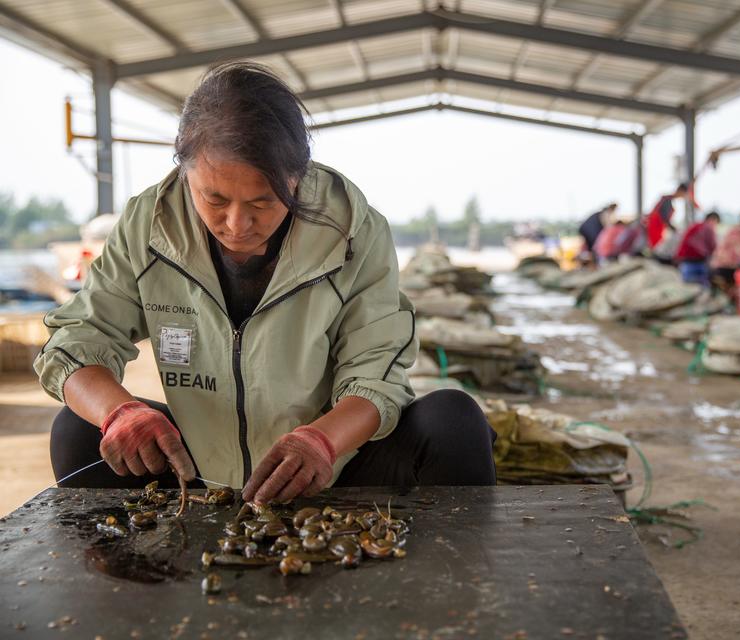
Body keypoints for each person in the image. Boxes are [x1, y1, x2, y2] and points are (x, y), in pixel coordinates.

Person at [35, 62, 496, 503]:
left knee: (454, 422)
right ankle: (145, 580)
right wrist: (121, 414)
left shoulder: (352, 230)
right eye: (213, 199)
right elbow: (77, 341)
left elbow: (377, 373)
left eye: (263, 201)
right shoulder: (149, 224)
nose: (237, 224)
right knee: (76, 430)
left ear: (298, 177)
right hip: (197, 474)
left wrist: (321, 441)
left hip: (338, 469)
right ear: (184, 171)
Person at [675, 212, 721, 286]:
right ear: (713, 219)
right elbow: (713, 246)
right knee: (703, 286)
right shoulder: (708, 227)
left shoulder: (696, 226)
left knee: (687, 286)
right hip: (697, 263)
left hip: (685, 262)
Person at [645, 184, 688, 250]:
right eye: (684, 194)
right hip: (655, 227)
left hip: (658, 227)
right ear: (680, 191)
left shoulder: (668, 199)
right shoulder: (667, 200)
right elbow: (664, 218)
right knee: (656, 247)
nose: (683, 196)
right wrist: (674, 229)